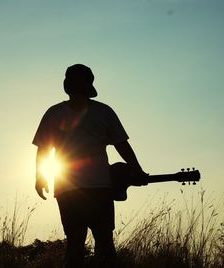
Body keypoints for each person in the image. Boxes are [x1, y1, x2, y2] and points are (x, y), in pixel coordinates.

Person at [32, 64, 147, 267]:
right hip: (68, 190)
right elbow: (43, 149)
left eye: (80, 80)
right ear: (68, 85)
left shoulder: (104, 112)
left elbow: (121, 144)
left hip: (100, 189)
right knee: (75, 245)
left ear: (87, 85)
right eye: (73, 80)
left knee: (105, 246)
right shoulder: (54, 113)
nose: (76, 84)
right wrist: (39, 176)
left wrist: (137, 169)